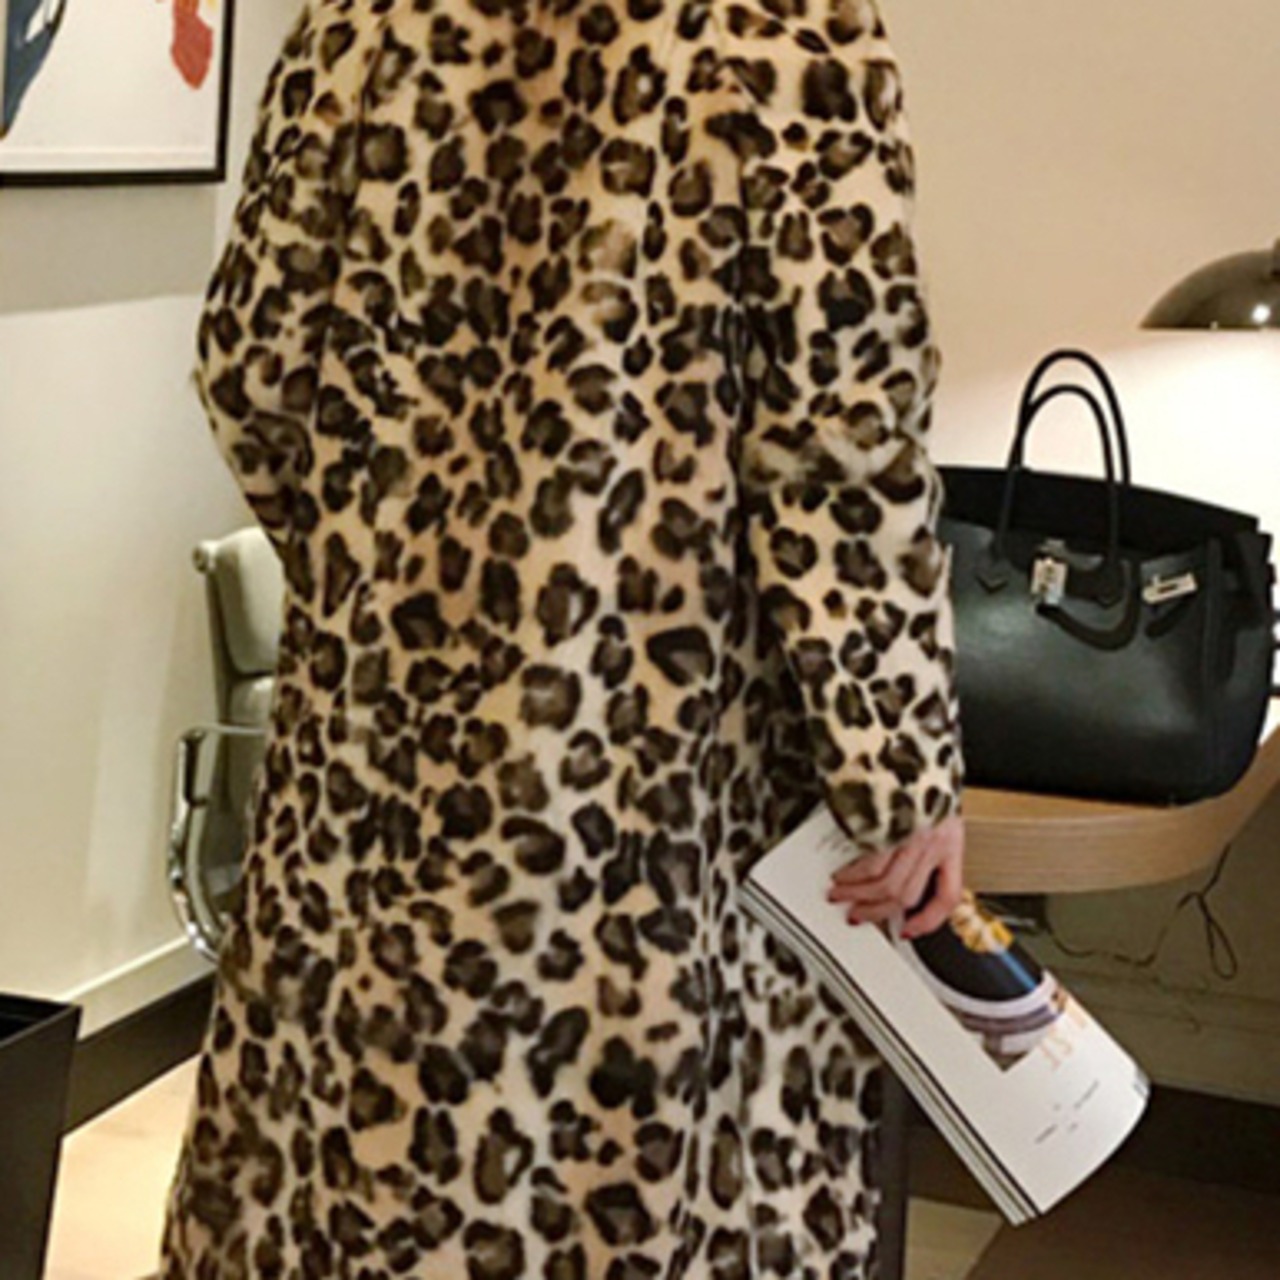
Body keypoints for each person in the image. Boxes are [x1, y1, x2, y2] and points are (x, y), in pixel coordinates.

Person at [158, 0, 965, 1275]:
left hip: (373, 774)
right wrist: (899, 770)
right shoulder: (782, 30)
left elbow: (250, 369)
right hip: (661, 797)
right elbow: (840, 451)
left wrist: (384, 589)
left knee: (341, 1175)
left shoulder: (356, 23)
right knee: (638, 1188)